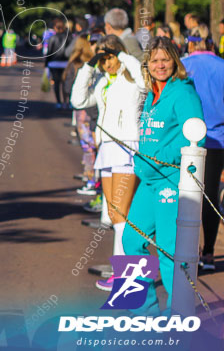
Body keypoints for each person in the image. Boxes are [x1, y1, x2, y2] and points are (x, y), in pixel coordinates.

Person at [123, 37, 205, 314]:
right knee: (131, 240)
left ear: (175, 61)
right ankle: (141, 312)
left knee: (171, 250)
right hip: (149, 181)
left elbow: (194, 136)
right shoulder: (153, 93)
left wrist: (159, 158)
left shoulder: (182, 92)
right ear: (147, 63)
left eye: (165, 59)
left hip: (171, 180)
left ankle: (178, 314)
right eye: (155, 60)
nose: (160, 65)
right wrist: (142, 161)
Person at [71, 35, 145, 291]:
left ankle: (126, 276)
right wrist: (89, 66)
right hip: (108, 149)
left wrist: (122, 55)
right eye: (104, 60)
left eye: (110, 57)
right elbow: (78, 101)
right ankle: (122, 272)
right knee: (115, 213)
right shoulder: (103, 81)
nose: (107, 63)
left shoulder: (132, 78)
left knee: (121, 212)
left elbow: (144, 79)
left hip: (127, 146)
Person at [182, 26, 224, 272]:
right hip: (219, 139)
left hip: (188, 141)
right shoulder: (221, 65)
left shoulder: (183, 66)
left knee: (189, 194)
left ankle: (188, 250)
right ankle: (208, 252)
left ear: (189, 43)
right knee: (209, 196)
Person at [65, 33, 98, 193]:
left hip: (82, 111)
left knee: (88, 148)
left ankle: (91, 181)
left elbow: (67, 88)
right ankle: (94, 180)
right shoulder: (98, 64)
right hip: (95, 110)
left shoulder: (77, 64)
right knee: (95, 147)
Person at [45, 18, 70, 109]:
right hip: (66, 63)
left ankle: (58, 102)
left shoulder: (52, 38)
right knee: (65, 83)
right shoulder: (68, 37)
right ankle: (66, 102)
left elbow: (49, 52)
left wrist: (46, 64)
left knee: (56, 83)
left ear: (55, 28)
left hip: (54, 63)